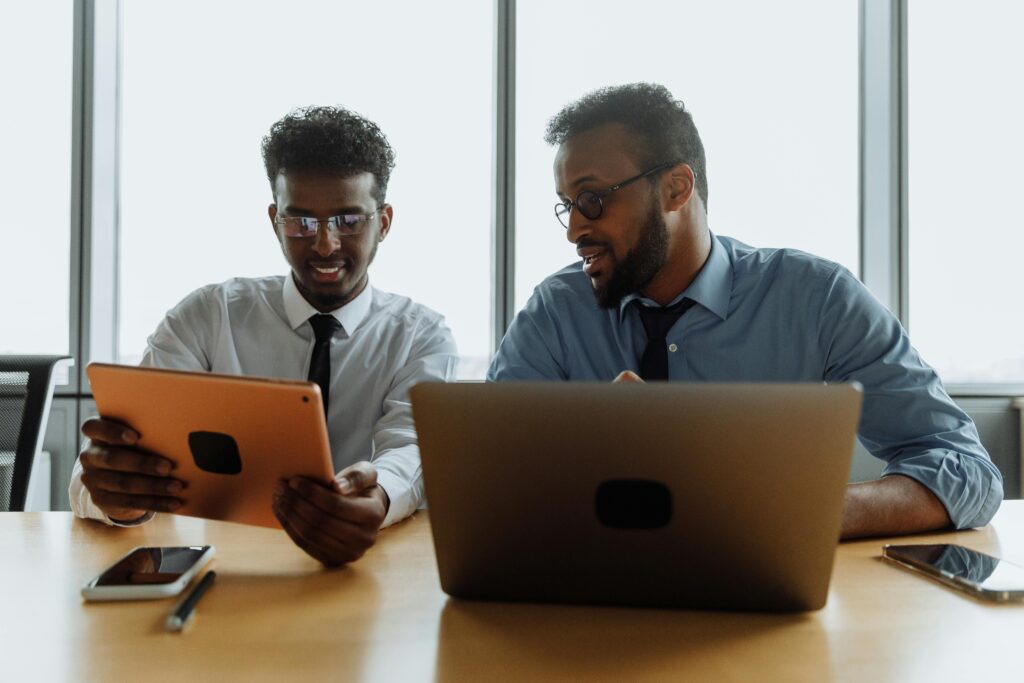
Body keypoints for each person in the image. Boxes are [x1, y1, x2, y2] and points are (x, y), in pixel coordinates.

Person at [488, 83, 1002, 539]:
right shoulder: (555, 313)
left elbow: (967, 470)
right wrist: (582, 449)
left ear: (676, 188)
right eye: (567, 206)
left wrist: (801, 510)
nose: (574, 230)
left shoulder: (816, 299)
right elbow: (485, 476)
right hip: (590, 591)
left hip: (768, 593)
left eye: (592, 200)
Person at [70, 106, 458, 565]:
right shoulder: (209, 317)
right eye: (301, 222)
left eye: (349, 221)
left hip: (369, 567)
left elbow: (410, 451)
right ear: (275, 220)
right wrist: (117, 500)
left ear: (384, 222)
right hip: (228, 566)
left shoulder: (421, 337)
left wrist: (379, 498)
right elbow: (108, 463)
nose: (325, 245)